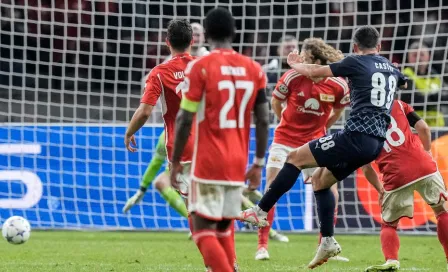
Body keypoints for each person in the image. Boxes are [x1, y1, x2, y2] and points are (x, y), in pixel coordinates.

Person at [240, 25, 407, 269]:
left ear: (355, 47)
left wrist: (293, 63)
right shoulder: (391, 68)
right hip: (376, 142)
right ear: (379, 46)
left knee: (296, 158)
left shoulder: (355, 62)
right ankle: (327, 241)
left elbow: (316, 70)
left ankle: (260, 210)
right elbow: (401, 82)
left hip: (355, 135)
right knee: (322, 181)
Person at [170, 8, 269, 272]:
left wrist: (176, 161)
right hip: (238, 161)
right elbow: (263, 120)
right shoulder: (254, 69)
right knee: (224, 227)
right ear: (233, 32)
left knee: (202, 229)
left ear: (206, 34)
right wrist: (259, 162)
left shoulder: (200, 67)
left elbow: (183, 119)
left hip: (209, 160)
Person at [254, 37, 350, 262]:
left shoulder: (338, 84)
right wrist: (283, 120)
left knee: (331, 191)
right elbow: (276, 102)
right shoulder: (291, 77)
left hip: (314, 143)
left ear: (316, 60)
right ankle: (262, 246)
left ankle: (325, 244)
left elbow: (338, 109)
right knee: (271, 188)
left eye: (305, 59)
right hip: (284, 139)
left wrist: (324, 127)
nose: (301, 62)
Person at [124, 18, 195, 228]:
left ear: (167, 42)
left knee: (195, 211)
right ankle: (231, 255)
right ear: (192, 41)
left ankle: (218, 259)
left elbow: (145, 111)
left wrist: (129, 132)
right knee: (215, 204)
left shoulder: (159, 73)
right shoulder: (205, 67)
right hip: (210, 143)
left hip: (182, 147)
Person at [362, 100, 448, 272]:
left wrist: (380, 189)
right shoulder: (398, 104)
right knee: (442, 211)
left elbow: (366, 167)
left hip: (395, 174)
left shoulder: (361, 117)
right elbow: (423, 128)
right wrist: (427, 152)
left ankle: (392, 260)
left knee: (389, 224)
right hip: (424, 166)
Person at [400, 42, 445, 127]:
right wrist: (435, 97)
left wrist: (431, 98)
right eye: (414, 55)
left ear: (429, 56)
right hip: (415, 128)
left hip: (438, 127)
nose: (419, 58)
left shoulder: (436, 76)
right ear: (408, 57)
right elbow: (414, 99)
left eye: (422, 54)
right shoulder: (405, 76)